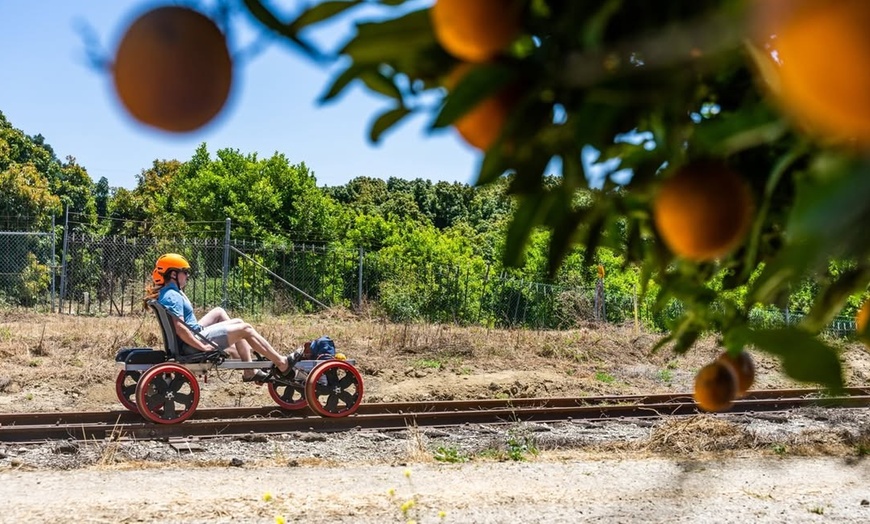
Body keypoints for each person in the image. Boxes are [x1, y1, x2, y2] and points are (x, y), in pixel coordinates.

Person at [144, 253, 296, 383]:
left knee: (224, 315)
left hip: (192, 337)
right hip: (190, 345)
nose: (188, 276)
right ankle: (280, 363)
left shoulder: (170, 292)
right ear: (173, 274)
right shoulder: (172, 296)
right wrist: (202, 347)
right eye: (185, 272)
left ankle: (244, 358)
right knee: (246, 328)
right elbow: (180, 328)